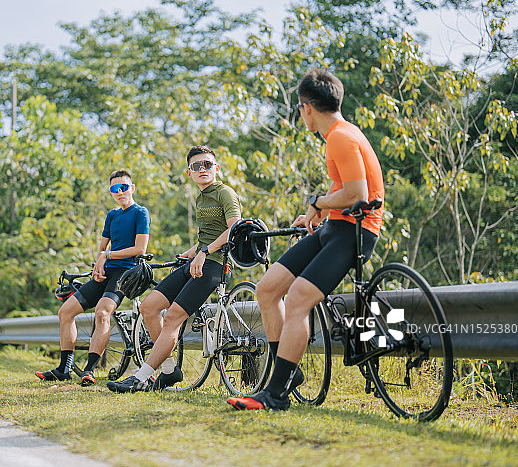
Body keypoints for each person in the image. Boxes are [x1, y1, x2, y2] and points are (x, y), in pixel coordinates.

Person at [227, 68, 384, 411]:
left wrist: (318, 202)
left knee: (298, 297)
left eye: (299, 108)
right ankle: (287, 372)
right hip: (334, 227)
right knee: (268, 289)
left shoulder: (341, 137)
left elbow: (357, 194)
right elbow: (343, 187)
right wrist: (319, 211)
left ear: (307, 107)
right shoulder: (339, 134)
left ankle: (276, 393)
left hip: (356, 232)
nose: (301, 114)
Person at [107, 146, 242, 393]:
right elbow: (208, 235)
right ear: (189, 172)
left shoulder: (225, 193)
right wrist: (192, 251)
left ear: (216, 168)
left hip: (216, 264)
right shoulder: (201, 197)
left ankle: (141, 377)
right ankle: (169, 370)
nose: (202, 169)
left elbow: (234, 228)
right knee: (149, 307)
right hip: (199, 259)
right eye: (196, 166)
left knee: (171, 318)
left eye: (207, 164)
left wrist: (205, 252)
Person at [36, 170, 150, 386]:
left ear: (132, 188)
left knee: (102, 312)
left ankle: (89, 370)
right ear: (111, 192)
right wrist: (98, 264)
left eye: (124, 187)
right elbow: (102, 247)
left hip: (125, 273)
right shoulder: (112, 215)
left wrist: (106, 255)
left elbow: (139, 249)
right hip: (105, 272)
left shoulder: (141, 212)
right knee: (65, 312)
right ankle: (64, 369)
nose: (120, 192)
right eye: (115, 189)